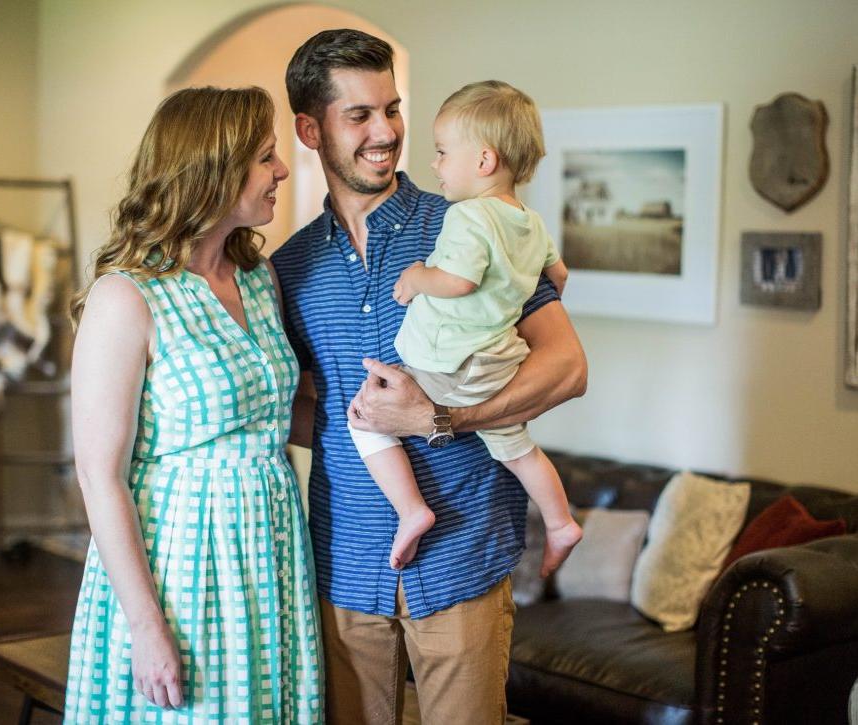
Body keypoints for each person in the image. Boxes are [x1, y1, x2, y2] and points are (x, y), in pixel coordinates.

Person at [271, 29, 587, 725]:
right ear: (308, 128)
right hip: (344, 564)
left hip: (462, 557)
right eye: (358, 115)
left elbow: (567, 368)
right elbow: (297, 405)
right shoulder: (289, 267)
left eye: (391, 108)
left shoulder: (469, 223)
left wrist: (440, 419)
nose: (385, 131)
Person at [63, 86, 323, 724]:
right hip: (182, 560)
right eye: (266, 158)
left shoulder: (259, 281)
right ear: (214, 170)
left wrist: (419, 422)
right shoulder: (127, 298)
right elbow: (100, 475)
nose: (282, 171)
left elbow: (273, 415)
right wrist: (147, 626)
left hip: (271, 547)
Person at [349, 80, 583, 573]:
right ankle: (561, 522)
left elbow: (457, 280)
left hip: (454, 364)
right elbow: (558, 276)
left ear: (483, 162)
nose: (434, 164)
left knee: (366, 412)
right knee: (517, 449)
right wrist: (513, 301)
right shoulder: (531, 221)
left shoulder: (467, 216)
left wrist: (416, 278)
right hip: (499, 361)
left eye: (441, 153)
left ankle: (412, 509)